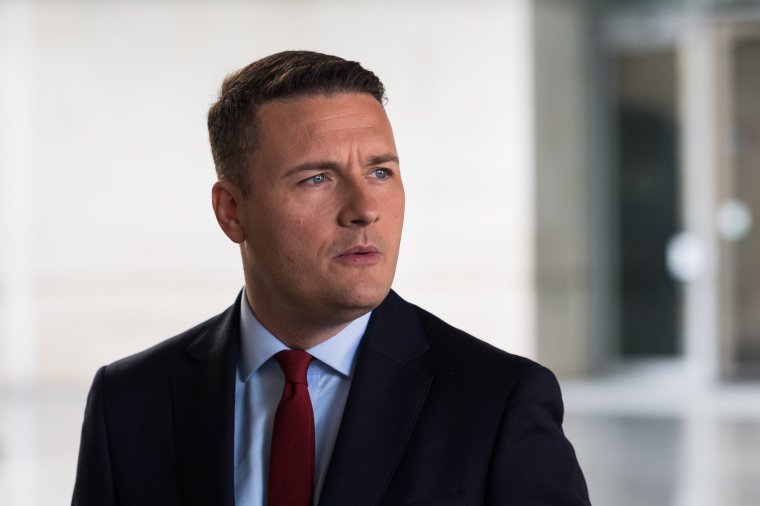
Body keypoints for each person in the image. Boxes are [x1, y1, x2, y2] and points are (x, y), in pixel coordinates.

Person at [72, 50, 590, 506]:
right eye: (317, 178)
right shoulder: (127, 403)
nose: (365, 209)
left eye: (380, 172)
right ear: (232, 211)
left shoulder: (499, 401)